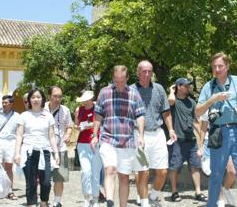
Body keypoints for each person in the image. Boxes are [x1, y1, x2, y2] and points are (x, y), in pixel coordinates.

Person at [195, 52, 237, 207]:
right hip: (218, 134)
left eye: (220, 66)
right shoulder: (208, 86)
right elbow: (197, 111)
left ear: (227, 66)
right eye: (214, 66)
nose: (217, 69)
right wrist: (213, 99)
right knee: (216, 175)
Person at [92, 65, 145, 207]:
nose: (119, 83)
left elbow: (140, 115)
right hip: (108, 138)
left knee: (124, 177)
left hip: (127, 142)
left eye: (122, 80)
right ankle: (110, 201)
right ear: (113, 78)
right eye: (116, 80)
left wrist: (140, 135)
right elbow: (98, 115)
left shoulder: (134, 93)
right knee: (110, 169)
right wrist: (94, 135)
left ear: (127, 78)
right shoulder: (104, 92)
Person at [130, 60, 176, 207]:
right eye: (144, 71)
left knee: (163, 171)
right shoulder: (130, 90)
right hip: (138, 135)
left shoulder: (159, 89)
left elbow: (166, 112)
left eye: (150, 71)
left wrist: (171, 130)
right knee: (143, 172)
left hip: (158, 134)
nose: (147, 74)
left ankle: (153, 195)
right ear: (138, 72)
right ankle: (144, 202)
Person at [14, 88, 61, 207]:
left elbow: (51, 136)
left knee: (46, 182)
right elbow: (19, 135)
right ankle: (31, 204)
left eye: (38, 97)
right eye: (33, 97)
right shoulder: (24, 115)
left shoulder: (48, 116)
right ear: (29, 100)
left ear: (43, 99)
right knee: (31, 183)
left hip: (44, 151)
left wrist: (56, 153)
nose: (36, 99)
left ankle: (44, 202)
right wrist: (17, 153)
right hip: (29, 151)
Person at [167, 78, 206, 203]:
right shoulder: (173, 101)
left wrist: (201, 138)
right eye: (186, 85)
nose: (189, 87)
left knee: (195, 166)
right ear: (179, 86)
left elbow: (195, 121)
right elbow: (170, 100)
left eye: (189, 85)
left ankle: (198, 192)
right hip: (177, 140)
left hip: (191, 140)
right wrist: (171, 90)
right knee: (175, 167)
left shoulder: (191, 102)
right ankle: (174, 192)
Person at [199, 111, 237, 207]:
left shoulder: (228, 105)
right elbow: (203, 128)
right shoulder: (208, 107)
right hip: (211, 141)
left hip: (227, 141)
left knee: (232, 172)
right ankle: (220, 200)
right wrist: (200, 146)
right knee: (215, 172)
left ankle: (226, 189)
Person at [45, 86, 74, 207]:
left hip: (60, 147)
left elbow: (69, 125)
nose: (58, 99)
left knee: (59, 177)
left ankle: (57, 201)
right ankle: (43, 200)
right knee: (44, 179)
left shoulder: (65, 110)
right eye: (55, 96)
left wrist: (68, 134)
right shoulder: (42, 109)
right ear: (49, 96)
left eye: (60, 96)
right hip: (45, 147)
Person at [75, 89, 104, 207]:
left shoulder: (98, 108)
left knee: (96, 172)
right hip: (82, 143)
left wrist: (89, 125)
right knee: (86, 171)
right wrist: (79, 127)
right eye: (83, 100)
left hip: (97, 142)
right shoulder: (79, 110)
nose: (84, 102)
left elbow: (102, 121)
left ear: (91, 99)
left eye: (86, 100)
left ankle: (96, 199)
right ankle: (87, 197)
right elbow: (76, 124)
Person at [0, 94, 21, 200]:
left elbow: (19, 132)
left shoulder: (17, 116)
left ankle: (10, 190)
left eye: (6, 103)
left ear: (12, 104)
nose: (4, 104)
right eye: (3, 102)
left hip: (11, 142)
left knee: (9, 166)